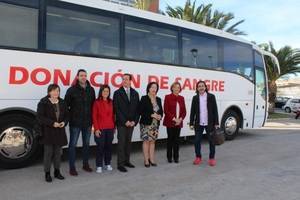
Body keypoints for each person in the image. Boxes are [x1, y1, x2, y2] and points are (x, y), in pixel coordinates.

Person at [65, 69, 96, 176]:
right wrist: (71, 117)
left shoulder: (91, 90)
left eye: (85, 75)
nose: (83, 77)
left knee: (86, 144)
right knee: (72, 145)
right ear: (77, 77)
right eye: (81, 75)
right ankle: (72, 168)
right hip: (75, 123)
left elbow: (93, 106)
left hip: (87, 123)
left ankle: (85, 164)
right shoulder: (72, 90)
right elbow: (66, 106)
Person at [37, 84, 68, 182]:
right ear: (49, 92)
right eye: (54, 91)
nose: (56, 93)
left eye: (58, 91)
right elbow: (40, 117)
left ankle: (57, 172)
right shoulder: (43, 102)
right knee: (48, 154)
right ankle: (47, 173)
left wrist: (64, 122)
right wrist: (52, 123)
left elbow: (67, 115)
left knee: (58, 154)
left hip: (59, 131)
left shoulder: (62, 102)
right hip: (48, 132)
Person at [113, 73, 140, 172]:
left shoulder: (135, 93)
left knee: (128, 143)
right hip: (122, 123)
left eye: (126, 79)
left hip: (131, 123)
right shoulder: (117, 93)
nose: (124, 81)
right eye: (123, 79)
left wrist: (134, 121)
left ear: (130, 81)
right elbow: (116, 109)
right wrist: (125, 121)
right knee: (121, 143)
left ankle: (127, 161)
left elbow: (138, 109)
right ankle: (120, 164)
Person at [189, 80, 219, 167]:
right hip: (199, 123)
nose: (201, 87)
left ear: (205, 87)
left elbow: (215, 110)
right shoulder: (195, 98)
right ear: (197, 88)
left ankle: (211, 158)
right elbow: (192, 112)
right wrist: (191, 123)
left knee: (211, 141)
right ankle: (198, 157)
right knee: (197, 141)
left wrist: (216, 122)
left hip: (209, 123)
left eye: (202, 86)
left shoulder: (211, 97)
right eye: (199, 86)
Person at [139, 82, 163, 167]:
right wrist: (151, 115)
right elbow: (141, 111)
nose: (154, 89)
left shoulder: (158, 99)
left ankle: (152, 159)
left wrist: (160, 116)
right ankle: (146, 160)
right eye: (152, 87)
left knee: (153, 142)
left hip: (155, 124)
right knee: (146, 142)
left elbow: (161, 112)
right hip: (146, 123)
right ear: (148, 88)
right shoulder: (144, 98)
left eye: (155, 87)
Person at [92, 84, 115, 173]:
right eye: (104, 91)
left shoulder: (111, 102)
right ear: (101, 92)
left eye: (107, 91)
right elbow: (94, 116)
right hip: (100, 128)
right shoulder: (96, 102)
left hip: (110, 128)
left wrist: (114, 128)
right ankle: (99, 165)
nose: (106, 93)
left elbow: (113, 115)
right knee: (100, 147)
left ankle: (107, 163)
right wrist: (96, 129)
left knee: (108, 147)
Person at [163, 82, 186, 163]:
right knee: (170, 140)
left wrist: (180, 119)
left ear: (180, 89)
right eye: (175, 87)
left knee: (177, 141)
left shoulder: (182, 98)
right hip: (170, 122)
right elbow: (166, 110)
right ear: (172, 88)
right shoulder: (167, 97)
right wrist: (174, 119)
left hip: (179, 122)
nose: (177, 89)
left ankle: (176, 157)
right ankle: (169, 157)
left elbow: (184, 112)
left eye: (178, 87)